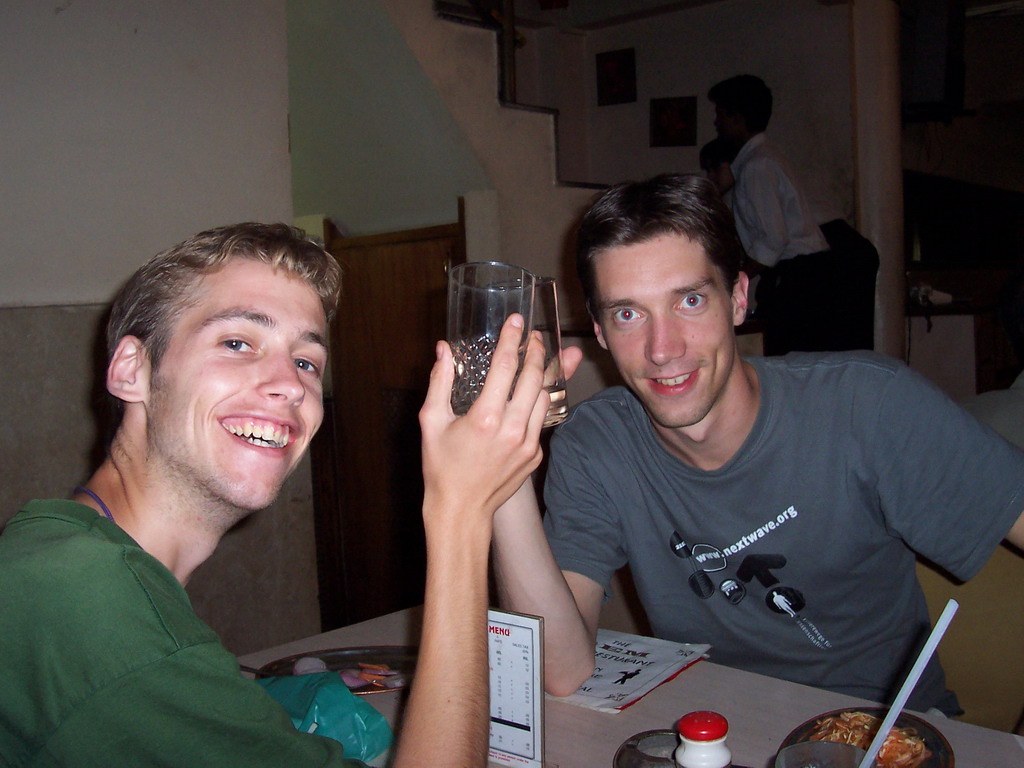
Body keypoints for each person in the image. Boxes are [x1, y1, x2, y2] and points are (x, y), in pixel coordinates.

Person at [0, 223, 576, 767]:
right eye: (236, 342)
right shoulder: (90, 609)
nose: (290, 385)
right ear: (132, 370)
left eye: (306, 361)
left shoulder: (54, 546)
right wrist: (460, 514)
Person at [491, 174, 1024, 717]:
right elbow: (557, 670)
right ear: (600, 332)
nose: (662, 349)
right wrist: (505, 470)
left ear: (739, 299)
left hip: (884, 739)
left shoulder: (869, 404)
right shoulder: (595, 445)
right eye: (628, 314)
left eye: (691, 301)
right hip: (711, 738)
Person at [707, 74, 877, 355]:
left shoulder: (758, 166)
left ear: (737, 119)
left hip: (805, 276)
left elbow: (772, 241)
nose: (717, 122)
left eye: (720, 114)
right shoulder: (763, 158)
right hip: (806, 273)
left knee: (795, 362)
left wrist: (737, 279)